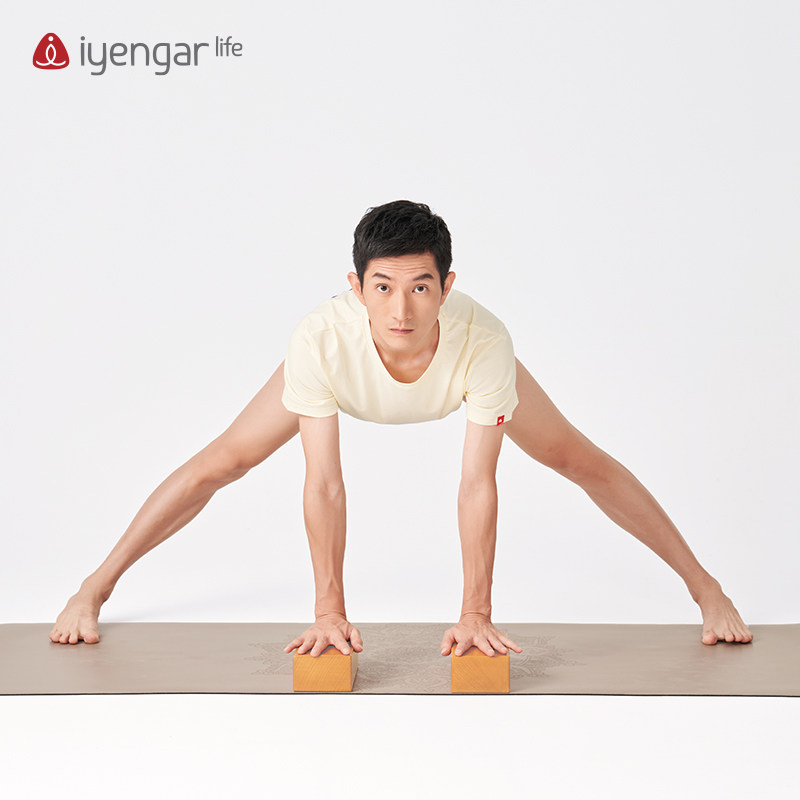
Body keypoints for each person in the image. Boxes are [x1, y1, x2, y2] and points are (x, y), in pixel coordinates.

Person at [49, 200, 754, 658]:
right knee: (224, 461)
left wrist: (475, 613)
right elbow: (324, 484)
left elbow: (477, 484)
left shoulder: (484, 341)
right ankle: (94, 587)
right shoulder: (321, 339)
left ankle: (707, 588)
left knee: (578, 458)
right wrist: (329, 611)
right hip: (340, 378)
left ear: (447, 286)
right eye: (382, 288)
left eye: (420, 287)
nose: (402, 309)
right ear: (356, 288)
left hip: (462, 374)